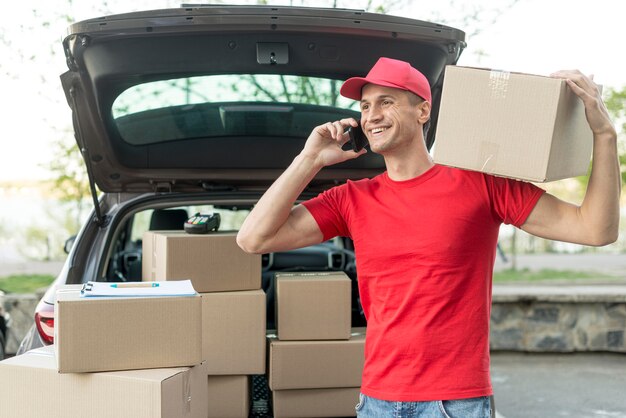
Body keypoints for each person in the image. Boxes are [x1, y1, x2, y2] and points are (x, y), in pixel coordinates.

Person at [237, 57, 620, 418]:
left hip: (455, 402)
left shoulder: (481, 183)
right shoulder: (352, 198)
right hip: (378, 399)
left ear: (423, 111)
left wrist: (604, 135)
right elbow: (253, 239)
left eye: (385, 102)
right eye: (366, 106)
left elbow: (594, 228)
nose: (372, 116)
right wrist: (310, 159)